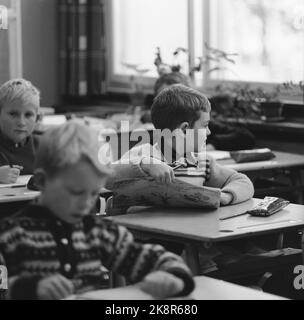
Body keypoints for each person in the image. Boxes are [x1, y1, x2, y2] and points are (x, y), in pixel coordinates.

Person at [0, 120, 194, 300]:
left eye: (94, 193)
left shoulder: (98, 232)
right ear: (42, 181)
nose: (86, 203)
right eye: (76, 192)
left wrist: (173, 276)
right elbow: (4, 285)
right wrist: (31, 289)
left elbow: (155, 257)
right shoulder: (13, 233)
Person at [123, 84, 254, 206]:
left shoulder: (203, 162)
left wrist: (227, 196)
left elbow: (243, 181)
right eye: (205, 125)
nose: (209, 132)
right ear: (184, 129)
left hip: (191, 229)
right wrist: (146, 164)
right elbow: (108, 177)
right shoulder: (141, 156)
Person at [143, 72, 256, 151]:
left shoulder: (201, 122)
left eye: (179, 96)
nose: (171, 102)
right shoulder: (154, 143)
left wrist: (212, 145)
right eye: (164, 97)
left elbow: (245, 136)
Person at [0, 79, 40, 183]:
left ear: (37, 118)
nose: (21, 122)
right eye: (13, 114)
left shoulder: (42, 146)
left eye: (28, 115)